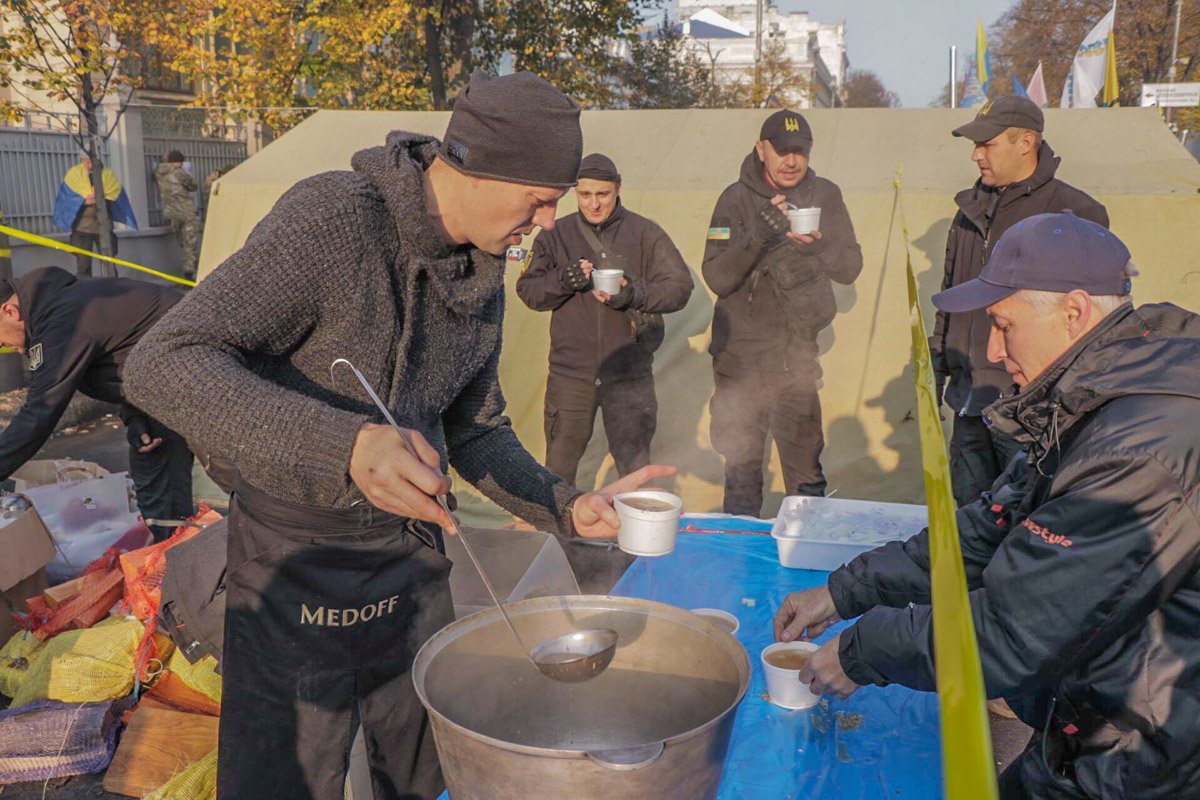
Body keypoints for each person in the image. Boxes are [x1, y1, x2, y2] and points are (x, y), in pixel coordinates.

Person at [124, 71, 672, 800]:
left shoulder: (482, 270)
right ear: (476, 167)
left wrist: (566, 506)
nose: (548, 223)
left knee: (426, 769)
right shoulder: (333, 222)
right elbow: (162, 362)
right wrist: (345, 445)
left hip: (409, 560)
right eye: (540, 200)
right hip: (294, 558)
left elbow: (475, 430)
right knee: (289, 778)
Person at [773, 213, 1200, 799]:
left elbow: (1014, 631)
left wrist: (861, 650)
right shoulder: (1092, 396)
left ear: (1074, 311)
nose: (994, 352)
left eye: (1004, 325)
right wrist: (845, 590)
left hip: (1148, 747)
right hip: (1096, 710)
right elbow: (986, 530)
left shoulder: (1141, 447)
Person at [516, 152, 692, 590]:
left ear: (618, 190)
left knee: (635, 467)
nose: (594, 203)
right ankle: (557, 564)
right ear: (576, 193)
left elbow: (680, 287)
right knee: (558, 472)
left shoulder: (644, 233)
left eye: (603, 194)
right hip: (571, 375)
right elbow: (529, 291)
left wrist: (634, 295)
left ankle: (640, 563)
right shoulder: (556, 234)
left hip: (628, 375)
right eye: (585, 194)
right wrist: (566, 279)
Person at [929, 94, 1108, 507]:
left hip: (1029, 412)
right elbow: (951, 295)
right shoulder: (969, 210)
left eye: (987, 144)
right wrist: (936, 369)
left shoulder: (1074, 213)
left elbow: (1086, 322)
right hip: (968, 403)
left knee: (1026, 520)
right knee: (969, 520)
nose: (976, 155)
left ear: (1026, 142)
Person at [701, 109, 862, 517]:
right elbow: (716, 276)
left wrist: (819, 246)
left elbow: (850, 268)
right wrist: (759, 232)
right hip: (739, 366)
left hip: (796, 365)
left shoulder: (825, 195)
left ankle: (806, 552)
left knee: (806, 480)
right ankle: (742, 553)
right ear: (761, 149)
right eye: (782, 151)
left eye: (800, 151)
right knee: (741, 475)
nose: (792, 161)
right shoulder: (734, 199)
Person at [0, 267, 193, 537]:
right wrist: (136, 414)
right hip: (162, 389)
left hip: (198, 374)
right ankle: (172, 552)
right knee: (158, 496)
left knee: (241, 482)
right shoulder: (57, 308)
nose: (5, 346)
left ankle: (243, 552)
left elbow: (40, 411)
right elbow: (124, 355)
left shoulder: (61, 320)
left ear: (10, 312)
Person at [52, 156, 138, 278]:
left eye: (90, 159)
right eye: (86, 160)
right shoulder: (74, 174)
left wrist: (102, 198)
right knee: (83, 265)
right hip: (82, 227)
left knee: (109, 264)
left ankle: (112, 287)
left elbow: (116, 195)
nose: (88, 162)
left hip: (104, 226)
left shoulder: (108, 174)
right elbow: (66, 199)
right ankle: (86, 288)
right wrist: (83, 201)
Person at [153, 150, 200, 279]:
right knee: (189, 244)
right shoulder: (179, 172)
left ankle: (190, 270)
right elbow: (193, 186)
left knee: (183, 244)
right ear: (179, 162)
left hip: (171, 214)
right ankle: (189, 276)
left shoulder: (159, 172)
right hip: (186, 212)